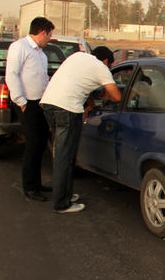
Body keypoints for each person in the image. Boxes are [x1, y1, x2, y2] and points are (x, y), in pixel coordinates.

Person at [40, 46, 121, 213]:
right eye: (110, 66)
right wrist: (107, 89)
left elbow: (81, 83)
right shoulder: (101, 68)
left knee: (65, 154)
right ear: (106, 61)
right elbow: (117, 97)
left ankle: (65, 194)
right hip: (67, 109)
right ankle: (62, 203)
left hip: (48, 104)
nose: (109, 69)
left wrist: (91, 104)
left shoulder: (78, 56)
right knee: (65, 156)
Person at [5, 16, 55, 202]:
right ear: (43, 32)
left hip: (40, 103)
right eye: (49, 35)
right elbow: (12, 74)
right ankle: (30, 187)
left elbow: (43, 79)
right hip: (27, 104)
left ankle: (37, 182)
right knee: (33, 144)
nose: (49, 39)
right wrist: (21, 101)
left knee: (41, 143)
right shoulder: (20, 47)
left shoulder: (41, 54)